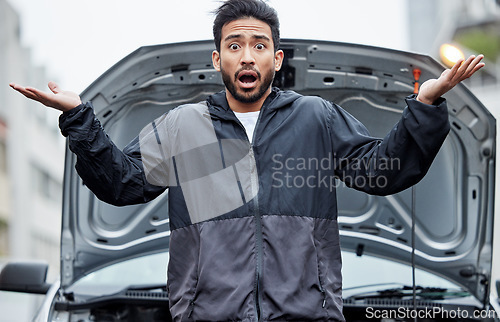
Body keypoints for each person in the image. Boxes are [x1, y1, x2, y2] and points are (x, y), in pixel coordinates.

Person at [10, 0, 484, 321]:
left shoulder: (316, 118)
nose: (247, 56)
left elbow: (383, 169)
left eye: (258, 45)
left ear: (276, 58)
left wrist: (424, 106)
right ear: (217, 59)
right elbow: (120, 183)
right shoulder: (182, 126)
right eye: (234, 46)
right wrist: (79, 118)